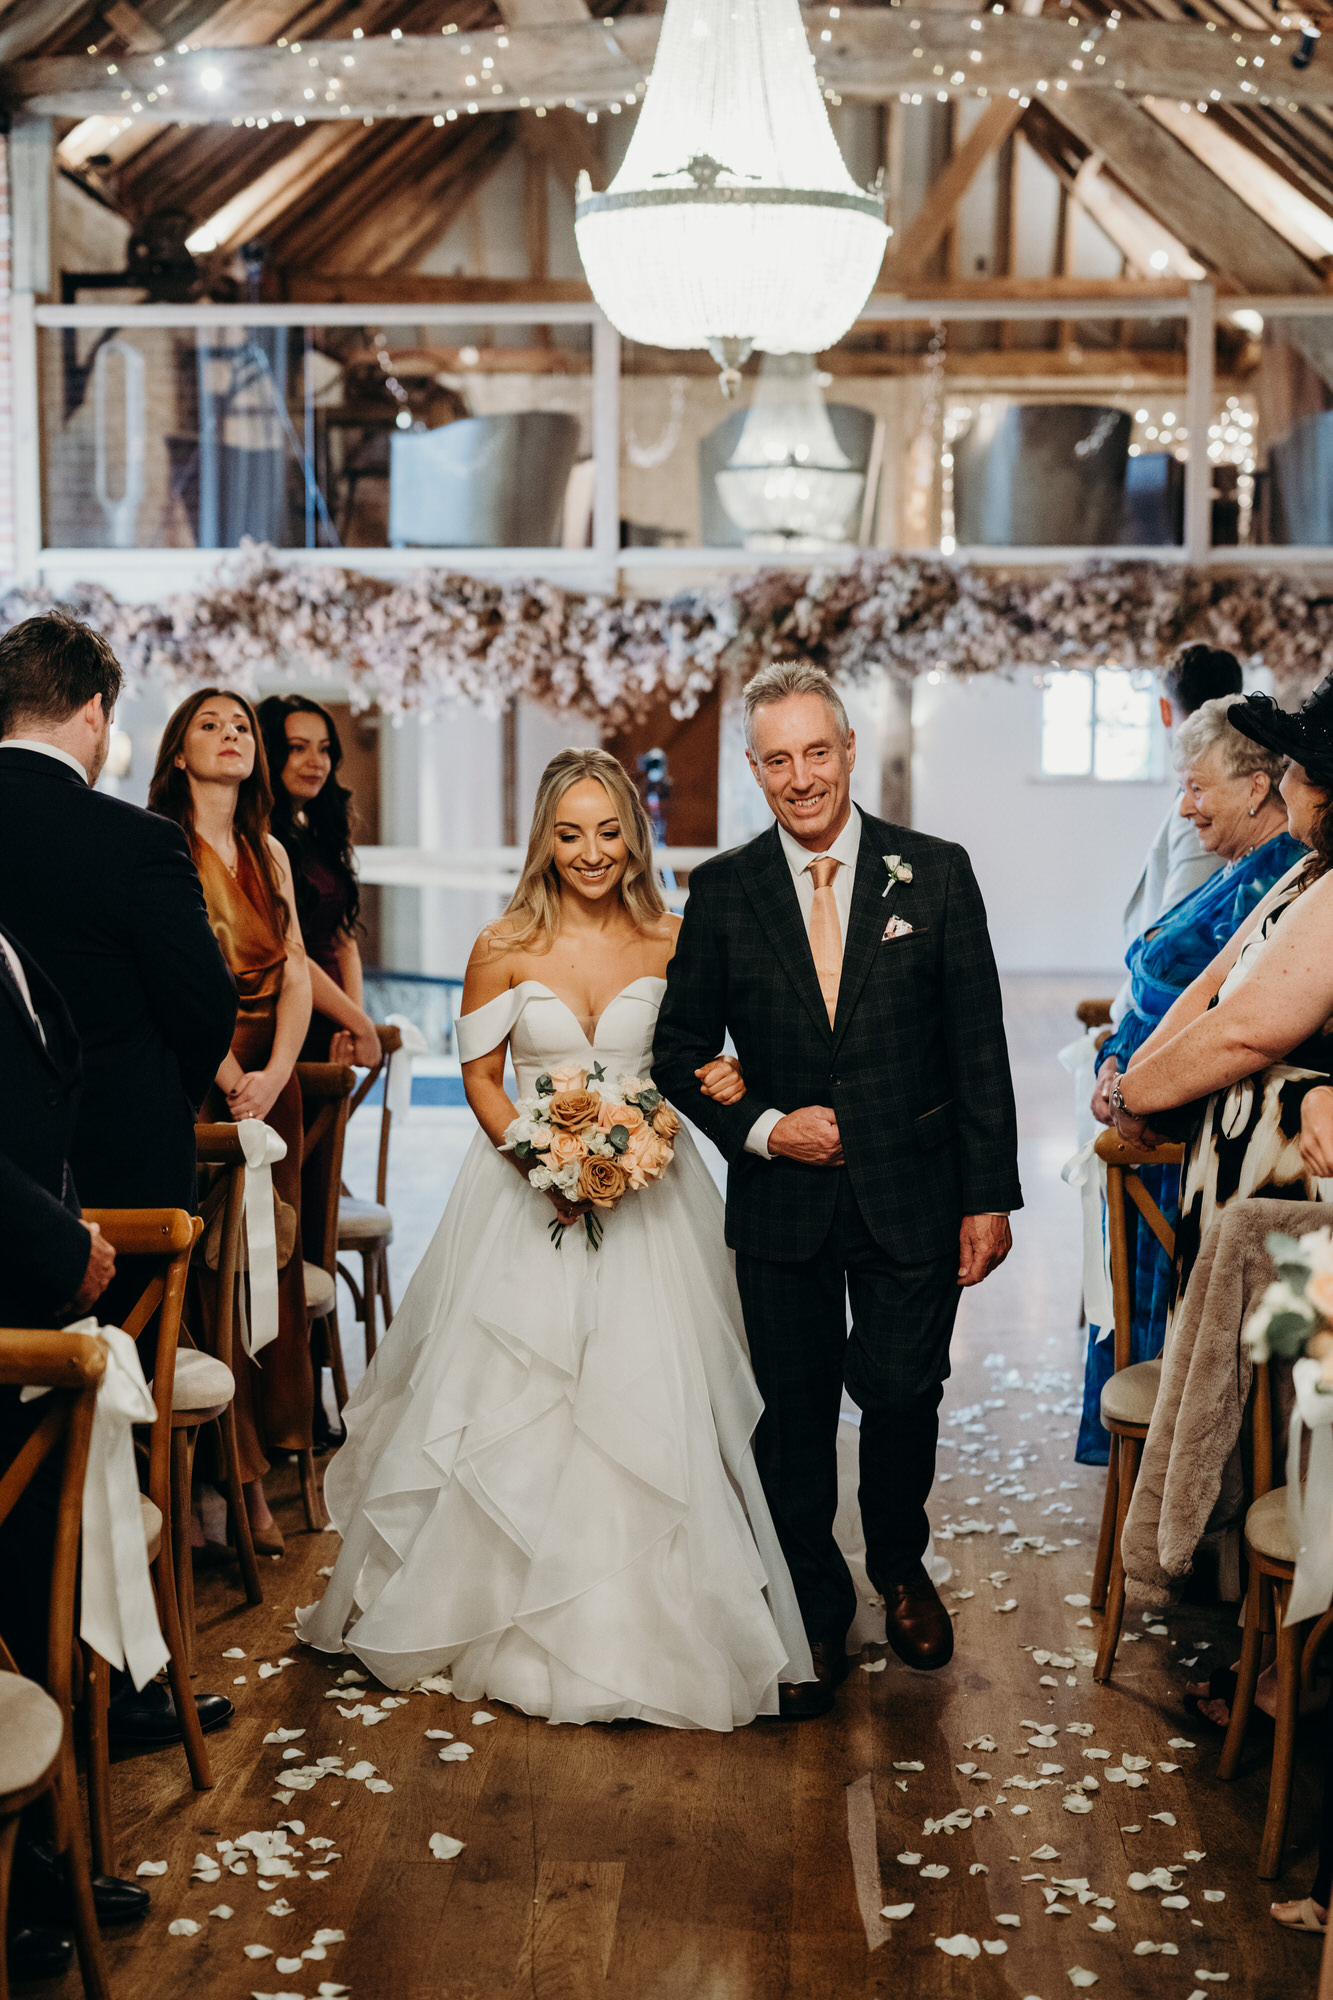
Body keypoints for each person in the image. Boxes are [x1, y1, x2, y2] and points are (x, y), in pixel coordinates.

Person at [298, 747, 814, 1729]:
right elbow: (485, 1078)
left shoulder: (677, 935)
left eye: (608, 831)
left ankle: (664, 1618)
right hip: (522, 1194)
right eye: (569, 832)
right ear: (545, 838)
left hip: (658, 1199)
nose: (590, 851)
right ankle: (501, 1613)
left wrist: (666, 1130)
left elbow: (704, 1054)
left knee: (656, 1401)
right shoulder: (500, 942)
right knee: (514, 1403)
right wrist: (543, 1160)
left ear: (635, 836)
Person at [653, 660, 1021, 1717]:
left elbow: (977, 1047)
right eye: (777, 758)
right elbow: (680, 1049)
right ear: (754, 770)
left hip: (915, 1185)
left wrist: (986, 1195)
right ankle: (815, 1598)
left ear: (849, 751)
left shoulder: (934, 872)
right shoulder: (724, 890)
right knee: (796, 1411)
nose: (800, 775)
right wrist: (765, 1127)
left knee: (904, 1388)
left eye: (817, 751)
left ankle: (898, 1562)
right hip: (782, 1203)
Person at [0, 613, 238, 1755]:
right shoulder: (136, 842)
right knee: (105, 1444)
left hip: (13, 1204)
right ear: (94, 713)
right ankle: (122, 1691)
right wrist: (153, 1105)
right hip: (117, 1194)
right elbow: (204, 1010)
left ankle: (40, 1697)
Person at [1076, 696, 1302, 1462]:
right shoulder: (1252, 871)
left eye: (1197, 788)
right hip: (1153, 1120)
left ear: (1253, 788)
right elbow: (1201, 981)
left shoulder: (1285, 873)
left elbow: (1232, 1021)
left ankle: (1177, 1501)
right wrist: (1121, 1063)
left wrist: (1132, 1089)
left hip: (1183, 1151)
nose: (1184, 806)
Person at [0, 917, 150, 1983]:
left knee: (20, 1589)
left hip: (30, 1284)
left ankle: (37, 1856)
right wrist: (62, 1242)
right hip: (16, 1298)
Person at [1111, 678, 1333, 1321]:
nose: (1283, 774)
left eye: (1292, 763)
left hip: (1284, 1184)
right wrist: (1136, 1078)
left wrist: (1134, 1094)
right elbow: (1214, 980)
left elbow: (1244, 1029)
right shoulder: (1307, 866)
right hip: (1231, 1169)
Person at [149, 689, 313, 1557]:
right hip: (203, 1077)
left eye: (241, 726)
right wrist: (229, 1074)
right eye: (209, 725)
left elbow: (293, 972)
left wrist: (277, 1073)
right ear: (178, 751)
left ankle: (264, 1469)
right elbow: (170, 979)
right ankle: (226, 1480)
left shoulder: (269, 850)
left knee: (268, 1271)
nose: (230, 737)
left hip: (268, 1082)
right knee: (213, 1277)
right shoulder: (161, 847)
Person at [258, 695, 379, 1066]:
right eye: (297, 748)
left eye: (324, 749)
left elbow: (344, 939)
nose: (315, 762)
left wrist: (351, 1023)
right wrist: (360, 1024)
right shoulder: (256, 838)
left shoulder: (318, 835)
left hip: (336, 1021)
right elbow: (288, 950)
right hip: (286, 1020)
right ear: (269, 754)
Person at [1118, 644, 1244, 983]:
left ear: (1165, 709)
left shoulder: (1207, 808)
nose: (1190, 805)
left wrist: (1120, 1017)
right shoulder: (1224, 787)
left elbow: (1178, 935)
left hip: (1160, 998)